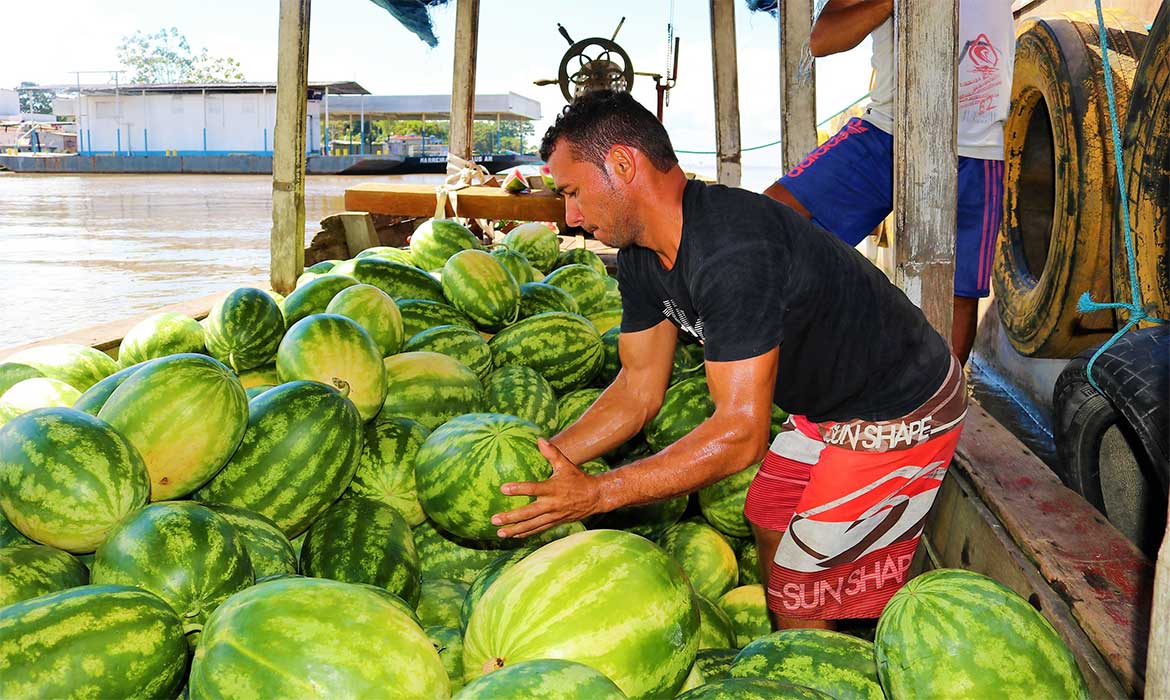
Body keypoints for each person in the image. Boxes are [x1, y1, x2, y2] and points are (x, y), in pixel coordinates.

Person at [490, 90, 968, 630]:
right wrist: (547, 465)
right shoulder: (641, 259)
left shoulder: (732, 249)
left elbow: (742, 434)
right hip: (831, 404)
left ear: (622, 164)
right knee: (766, 516)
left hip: (902, 405)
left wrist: (598, 493)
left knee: (801, 584)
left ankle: (818, 658)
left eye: (572, 192)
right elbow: (637, 388)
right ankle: (795, 629)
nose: (571, 217)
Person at [764, 0, 1015, 364]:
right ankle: (778, 352)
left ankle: (940, 405)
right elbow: (822, 40)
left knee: (959, 293)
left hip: (977, 146)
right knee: (771, 215)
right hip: (887, 129)